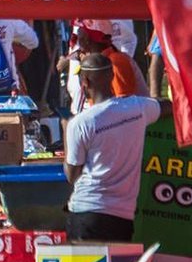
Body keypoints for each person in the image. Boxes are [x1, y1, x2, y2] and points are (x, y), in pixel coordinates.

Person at [64, 52, 161, 242]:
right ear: (111, 77)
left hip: (87, 212)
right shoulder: (138, 108)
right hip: (122, 216)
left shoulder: (81, 123)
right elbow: (166, 107)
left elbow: (71, 175)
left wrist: (66, 132)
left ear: (85, 82)